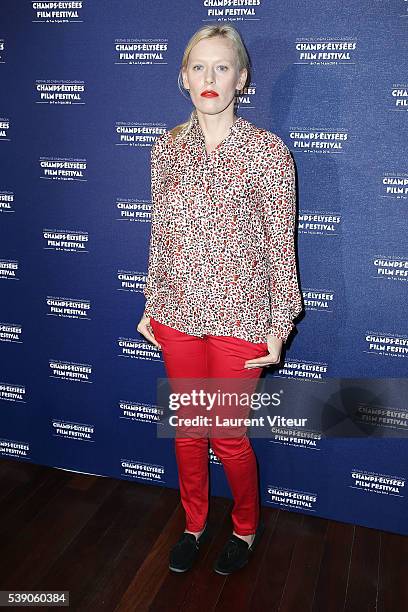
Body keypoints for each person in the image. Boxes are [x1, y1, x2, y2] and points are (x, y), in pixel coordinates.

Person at [137, 23, 303, 575]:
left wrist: (279, 327)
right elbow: (162, 232)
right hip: (177, 314)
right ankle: (192, 522)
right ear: (183, 77)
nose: (210, 78)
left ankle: (247, 528)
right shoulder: (166, 149)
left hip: (242, 317)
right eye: (199, 67)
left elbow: (282, 245)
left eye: (223, 67)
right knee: (188, 430)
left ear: (243, 78)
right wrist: (150, 304)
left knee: (228, 435)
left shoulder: (269, 153)